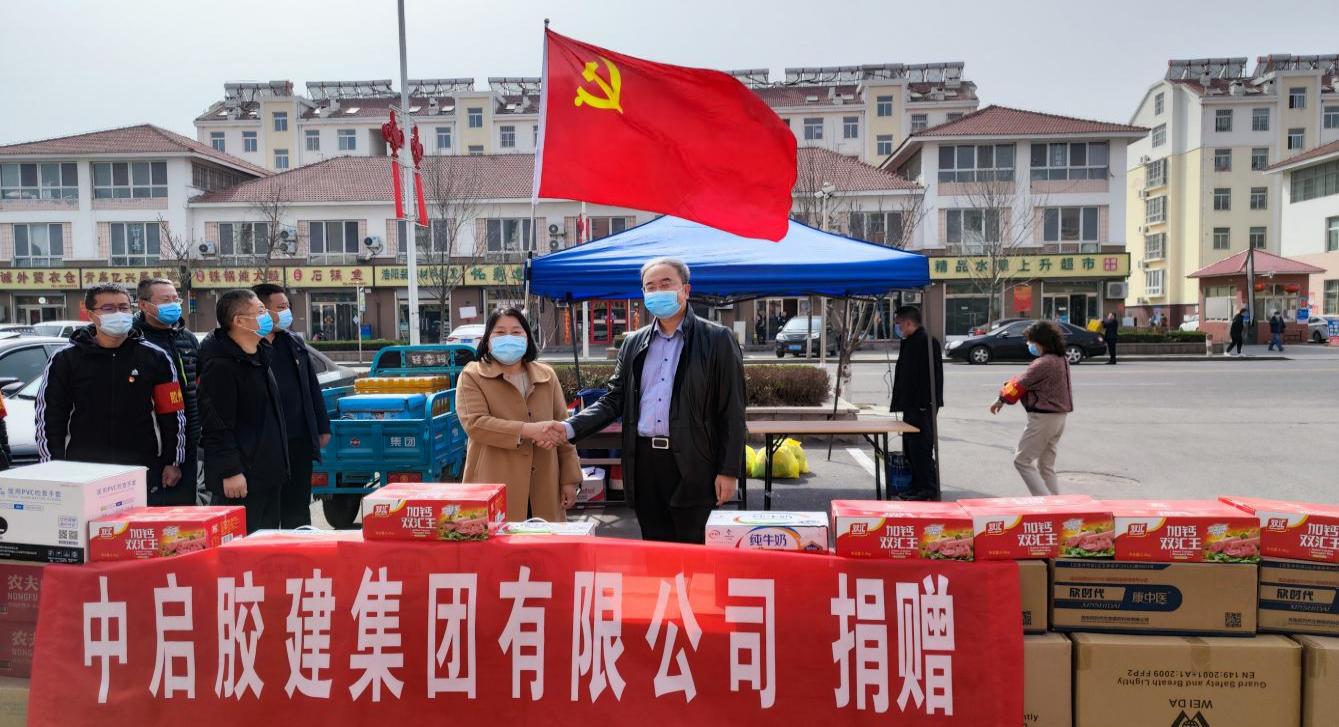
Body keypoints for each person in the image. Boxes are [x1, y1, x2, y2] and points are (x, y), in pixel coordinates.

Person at [537, 257, 746, 543]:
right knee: (654, 546)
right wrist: (569, 427)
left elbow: (732, 411)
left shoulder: (717, 340)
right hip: (645, 462)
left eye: (666, 284)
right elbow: (614, 399)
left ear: (685, 290)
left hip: (695, 460)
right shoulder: (634, 342)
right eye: (650, 286)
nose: (658, 292)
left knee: (693, 550)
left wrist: (729, 470)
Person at [37, 283, 185, 498]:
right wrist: (52, 466)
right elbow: (50, 417)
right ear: (91, 314)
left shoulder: (156, 357)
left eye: (124, 307)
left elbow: (173, 413)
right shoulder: (65, 359)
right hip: (82, 471)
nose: (118, 313)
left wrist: (172, 461)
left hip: (140, 469)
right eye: (109, 309)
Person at [456, 307, 582, 521]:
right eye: (500, 332)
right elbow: (476, 424)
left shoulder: (546, 376)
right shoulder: (472, 376)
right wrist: (529, 430)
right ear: (488, 340)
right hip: (494, 485)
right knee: (498, 540)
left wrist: (569, 479)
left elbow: (564, 429)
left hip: (544, 484)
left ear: (527, 338)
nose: (509, 338)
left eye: (516, 332)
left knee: (544, 540)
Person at [198, 289, 288, 532]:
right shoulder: (220, 366)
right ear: (239, 321)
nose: (267, 316)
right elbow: (216, 425)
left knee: (267, 544)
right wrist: (231, 471)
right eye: (260, 311)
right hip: (241, 480)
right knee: (241, 546)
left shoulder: (260, 356)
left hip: (268, 474)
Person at [253, 283, 331, 527]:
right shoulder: (248, 346)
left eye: (287, 306)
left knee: (297, 507)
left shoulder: (293, 342)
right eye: (281, 307)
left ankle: (299, 545)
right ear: (261, 310)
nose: (286, 312)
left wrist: (322, 426)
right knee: (267, 511)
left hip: (298, 440)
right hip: (265, 444)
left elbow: (311, 388)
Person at [133, 278, 201, 505]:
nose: (173, 304)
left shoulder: (187, 338)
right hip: (153, 448)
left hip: (188, 442)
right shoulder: (135, 340)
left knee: (184, 514)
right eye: (165, 300)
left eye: (175, 299)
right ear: (144, 305)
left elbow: (198, 388)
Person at [990, 321, 1073, 496]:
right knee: (1046, 465)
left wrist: (1000, 399)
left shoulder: (1043, 363)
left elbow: (1020, 384)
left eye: (1031, 341)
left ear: (1041, 342)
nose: (1029, 344)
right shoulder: (1061, 359)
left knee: (1022, 461)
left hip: (1043, 418)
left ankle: (1045, 501)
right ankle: (1056, 504)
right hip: (1059, 417)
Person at [889, 305, 943, 501]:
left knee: (921, 448)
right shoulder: (910, 341)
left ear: (908, 322)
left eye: (898, 323)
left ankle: (927, 488)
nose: (897, 327)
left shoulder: (927, 342)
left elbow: (931, 377)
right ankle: (916, 485)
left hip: (922, 405)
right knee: (911, 448)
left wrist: (925, 403)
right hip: (911, 405)